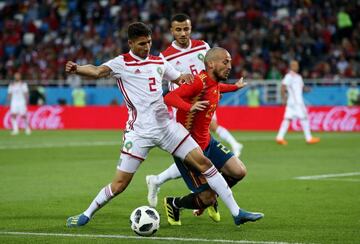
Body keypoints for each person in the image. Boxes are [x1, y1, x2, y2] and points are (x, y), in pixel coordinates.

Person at [65, 22, 258, 227]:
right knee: (120, 184)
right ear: (130, 43)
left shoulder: (159, 61)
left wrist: (185, 78)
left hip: (167, 127)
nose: (146, 47)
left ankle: (237, 213)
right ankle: (86, 214)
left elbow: (178, 78)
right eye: (141, 44)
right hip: (139, 132)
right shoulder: (121, 63)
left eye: (148, 42)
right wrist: (77, 69)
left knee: (205, 163)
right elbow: (96, 71)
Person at [146, 13, 242, 215]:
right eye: (178, 29)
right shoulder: (165, 57)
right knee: (196, 156)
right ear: (172, 31)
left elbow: (211, 78)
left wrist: (224, 89)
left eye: (186, 29)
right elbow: (166, 91)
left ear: (191, 29)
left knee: (205, 153)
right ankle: (205, 198)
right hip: (184, 115)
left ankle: (206, 196)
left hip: (205, 106)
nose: (183, 33)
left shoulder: (203, 47)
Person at [162, 47, 264, 226]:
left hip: (207, 141)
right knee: (207, 197)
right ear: (211, 64)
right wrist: (188, 107)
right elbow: (169, 97)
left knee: (239, 171)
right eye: (225, 62)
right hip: (188, 149)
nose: (230, 66)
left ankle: (206, 199)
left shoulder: (213, 82)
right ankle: (175, 203)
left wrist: (234, 87)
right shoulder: (198, 82)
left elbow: (218, 87)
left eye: (230, 62)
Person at [276, 60, 320, 145]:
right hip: (296, 102)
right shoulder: (289, 76)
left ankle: (279, 137)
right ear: (291, 66)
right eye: (294, 65)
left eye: (296, 65)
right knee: (305, 118)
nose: (296, 67)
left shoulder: (298, 77)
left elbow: (302, 88)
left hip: (292, 102)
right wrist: (283, 98)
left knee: (287, 119)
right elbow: (283, 86)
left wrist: (308, 89)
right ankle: (309, 138)